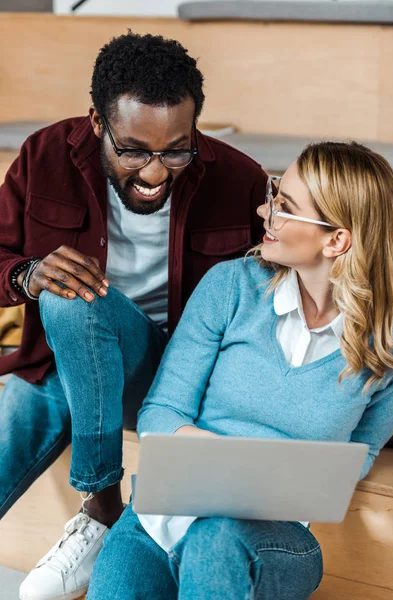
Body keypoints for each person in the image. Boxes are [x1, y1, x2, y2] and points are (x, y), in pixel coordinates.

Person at [0, 32, 266, 600]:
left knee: (71, 300)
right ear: (98, 122)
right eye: (134, 150)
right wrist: (27, 274)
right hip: (59, 367)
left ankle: (99, 512)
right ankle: (100, 514)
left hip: (166, 375)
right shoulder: (44, 156)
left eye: (175, 149)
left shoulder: (240, 179)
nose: (154, 172)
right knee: (60, 303)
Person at [86, 141, 393, 600]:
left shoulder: (389, 341)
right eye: (274, 194)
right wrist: (226, 463)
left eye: (284, 207)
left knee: (215, 540)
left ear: (336, 240)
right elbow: (160, 411)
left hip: (273, 540)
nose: (263, 210)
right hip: (159, 523)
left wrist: (276, 483)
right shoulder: (229, 287)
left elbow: (361, 452)